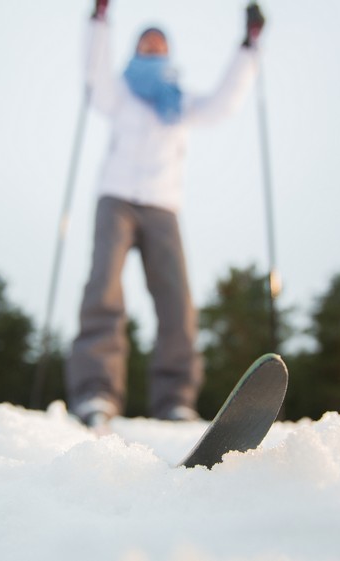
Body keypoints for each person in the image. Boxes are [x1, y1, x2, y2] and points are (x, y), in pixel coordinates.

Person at [66, 0, 266, 427]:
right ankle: (95, 393)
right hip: (116, 198)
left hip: (163, 204)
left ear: (168, 52)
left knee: (177, 302)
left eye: (160, 42)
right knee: (103, 288)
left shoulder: (183, 103)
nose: (153, 46)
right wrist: (99, 21)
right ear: (136, 50)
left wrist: (248, 48)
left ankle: (176, 399)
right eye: (145, 41)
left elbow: (224, 103)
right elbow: (94, 72)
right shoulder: (119, 94)